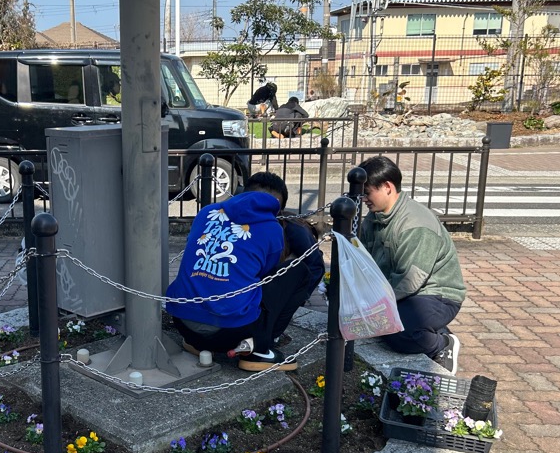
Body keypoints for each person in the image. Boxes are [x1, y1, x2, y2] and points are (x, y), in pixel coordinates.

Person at [166, 171, 325, 371]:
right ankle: (260, 349)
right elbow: (266, 277)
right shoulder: (272, 228)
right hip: (230, 333)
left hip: (182, 323)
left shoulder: (207, 211)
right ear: (276, 204)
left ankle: (199, 344)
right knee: (300, 270)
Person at [357, 156, 465, 375]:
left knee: (401, 334)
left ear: (387, 187)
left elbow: (411, 279)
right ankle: (427, 326)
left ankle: (443, 344)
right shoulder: (374, 217)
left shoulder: (415, 224)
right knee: (378, 324)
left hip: (436, 294)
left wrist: (375, 304)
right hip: (400, 292)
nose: (364, 199)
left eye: (367, 192)